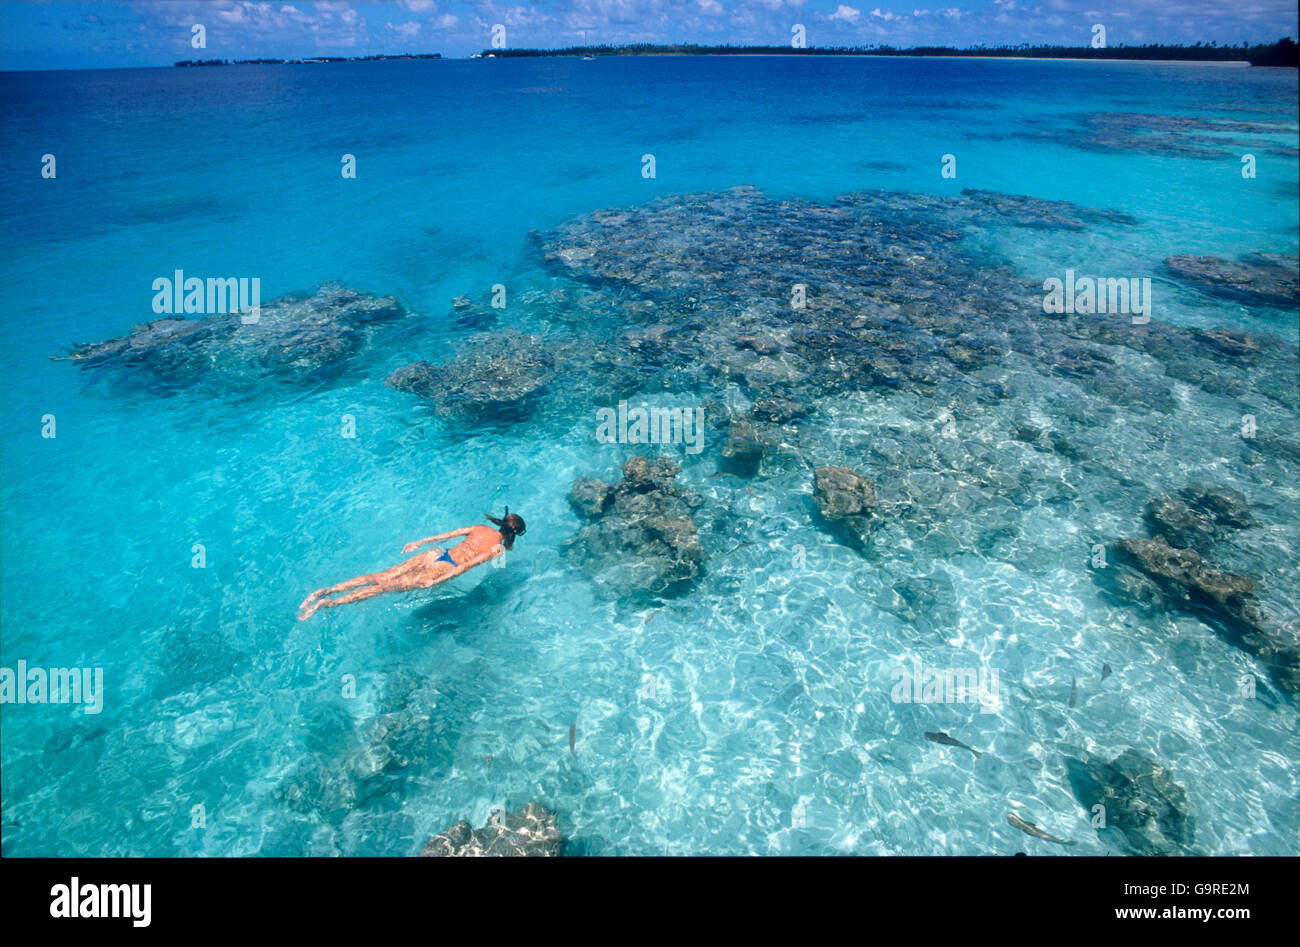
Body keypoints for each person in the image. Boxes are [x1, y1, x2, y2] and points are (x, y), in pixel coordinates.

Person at [297, 509, 526, 620]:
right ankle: (328, 604)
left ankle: (325, 590)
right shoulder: (498, 548)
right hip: (445, 567)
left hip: (437, 554)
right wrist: (436, 581)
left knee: (380, 575)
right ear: (514, 533)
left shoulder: (480, 527)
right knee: (384, 588)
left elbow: (447, 534)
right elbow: (464, 567)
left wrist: (419, 542)